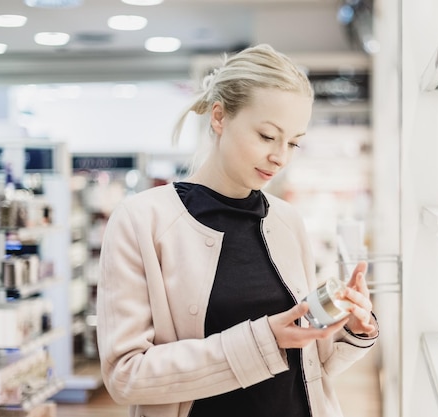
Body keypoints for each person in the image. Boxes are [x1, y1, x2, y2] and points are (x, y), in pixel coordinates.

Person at [96, 43, 379, 417]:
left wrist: (352, 326)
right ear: (219, 117)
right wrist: (263, 341)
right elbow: (126, 376)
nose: (280, 156)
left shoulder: (287, 221)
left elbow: (310, 365)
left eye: (293, 142)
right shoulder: (142, 221)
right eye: (266, 136)